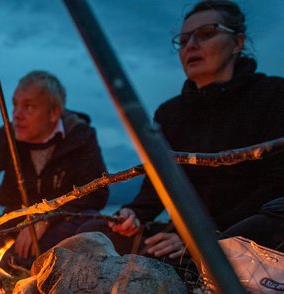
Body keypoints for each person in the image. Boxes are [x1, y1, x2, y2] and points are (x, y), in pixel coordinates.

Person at [87, 0, 284, 261]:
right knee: (95, 233)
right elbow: (157, 187)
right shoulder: (170, 114)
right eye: (183, 40)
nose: (191, 45)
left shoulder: (273, 96)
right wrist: (132, 213)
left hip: (246, 230)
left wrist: (206, 235)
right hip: (185, 234)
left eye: (206, 34)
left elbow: (276, 186)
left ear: (237, 43)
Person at [0, 70, 109, 265]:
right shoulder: (5, 136)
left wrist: (45, 218)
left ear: (54, 112)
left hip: (61, 222)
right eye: (15, 105)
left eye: (28, 107)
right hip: (14, 221)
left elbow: (95, 194)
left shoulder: (80, 137)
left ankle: (32, 263)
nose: (16, 115)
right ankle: (15, 261)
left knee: (91, 225)